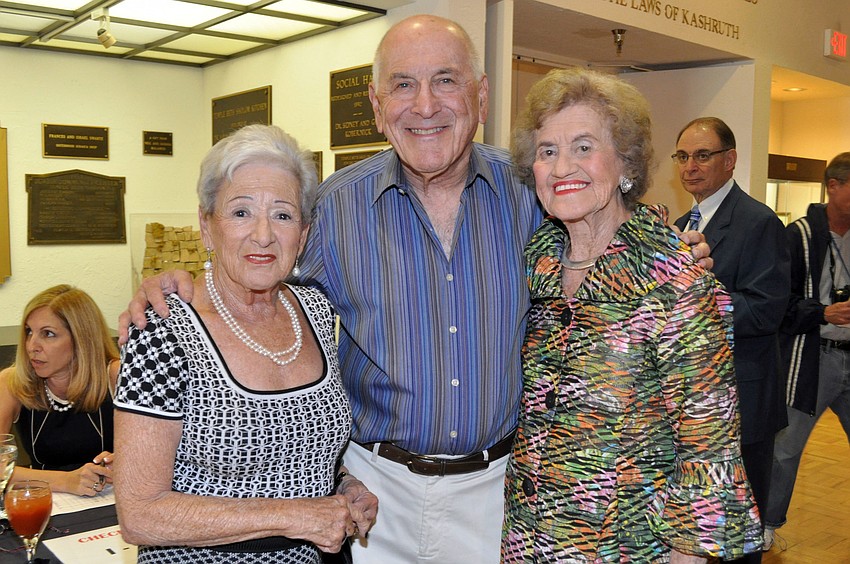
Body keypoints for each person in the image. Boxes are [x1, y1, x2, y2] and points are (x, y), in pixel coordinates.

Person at [120, 16, 710, 564]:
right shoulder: (334, 208)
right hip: (376, 500)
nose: (424, 106)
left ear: (480, 96)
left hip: (501, 495)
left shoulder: (532, 194)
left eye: (445, 81)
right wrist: (178, 283)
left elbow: (603, 233)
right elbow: (257, 266)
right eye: (402, 85)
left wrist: (666, 250)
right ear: (377, 107)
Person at [502, 67, 763, 563]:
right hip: (528, 539)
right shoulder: (536, 263)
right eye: (547, 151)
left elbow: (710, 450)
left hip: (631, 547)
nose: (561, 168)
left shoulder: (675, 280)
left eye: (583, 147)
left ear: (625, 163)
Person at [113, 124, 377, 564]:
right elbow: (140, 513)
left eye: (282, 214)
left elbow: (298, 447)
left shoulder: (314, 311)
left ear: (304, 233)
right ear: (206, 225)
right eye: (240, 213)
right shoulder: (161, 329)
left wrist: (345, 486)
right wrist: (294, 517)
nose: (262, 234)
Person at [672, 118, 790, 563]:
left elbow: (766, 309)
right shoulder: (682, 223)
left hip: (744, 399)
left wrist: (696, 303)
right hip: (696, 401)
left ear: (730, 160)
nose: (690, 167)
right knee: (702, 525)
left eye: (702, 155)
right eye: (683, 157)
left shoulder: (758, 221)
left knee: (741, 528)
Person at [763, 152, 850, 550]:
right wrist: (824, 312)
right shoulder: (797, 235)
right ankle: (766, 526)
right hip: (811, 360)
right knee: (785, 449)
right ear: (833, 186)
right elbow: (778, 304)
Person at [0, 284, 117, 496]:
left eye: (48, 334)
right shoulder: (11, 382)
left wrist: (127, 461)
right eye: (29, 332)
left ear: (82, 339)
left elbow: (163, 453)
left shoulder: (116, 376)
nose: (31, 346)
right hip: (42, 500)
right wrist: (67, 481)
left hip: (109, 500)